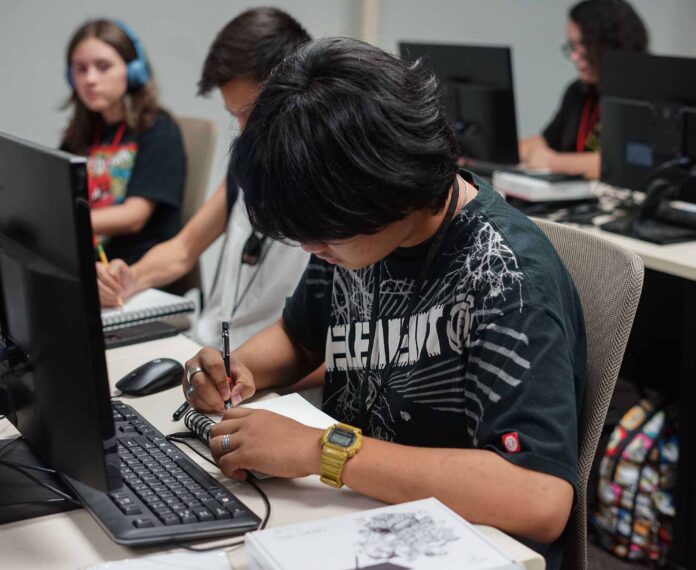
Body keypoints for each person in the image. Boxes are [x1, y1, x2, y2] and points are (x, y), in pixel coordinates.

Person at [183, 38, 586, 569]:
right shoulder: (357, 236)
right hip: (353, 514)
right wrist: (238, 369)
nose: (311, 250)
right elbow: (300, 337)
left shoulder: (505, 274)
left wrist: (321, 450)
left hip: (462, 545)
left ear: (389, 191)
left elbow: (538, 498)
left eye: (323, 237)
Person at [96, 8, 312, 349]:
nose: (244, 130)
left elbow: (335, 353)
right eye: (234, 115)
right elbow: (183, 249)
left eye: (250, 113)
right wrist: (130, 279)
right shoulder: (247, 160)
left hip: (272, 377)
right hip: (216, 356)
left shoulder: (332, 187)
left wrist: (248, 372)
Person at [62, 19, 186, 264]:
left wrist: (58, 221)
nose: (90, 79)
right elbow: (57, 195)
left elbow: (134, 216)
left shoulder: (159, 131)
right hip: (89, 265)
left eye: (103, 66)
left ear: (133, 72)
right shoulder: (81, 134)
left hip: (136, 270)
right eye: (80, 69)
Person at [519, 0, 648, 179]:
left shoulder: (644, 98)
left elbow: (625, 164)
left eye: (584, 45)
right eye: (572, 46)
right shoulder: (578, 92)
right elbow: (544, 143)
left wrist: (553, 162)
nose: (574, 56)